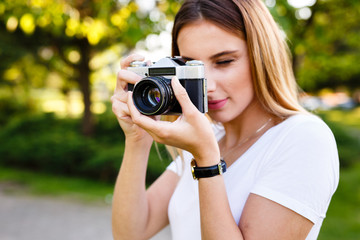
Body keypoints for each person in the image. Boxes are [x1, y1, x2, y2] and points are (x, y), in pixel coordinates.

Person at [110, 0, 339, 239]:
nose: (207, 84)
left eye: (224, 61)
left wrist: (207, 161)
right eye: (191, 65)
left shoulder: (304, 139)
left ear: (262, 56)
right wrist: (138, 138)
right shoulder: (206, 137)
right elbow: (130, 232)